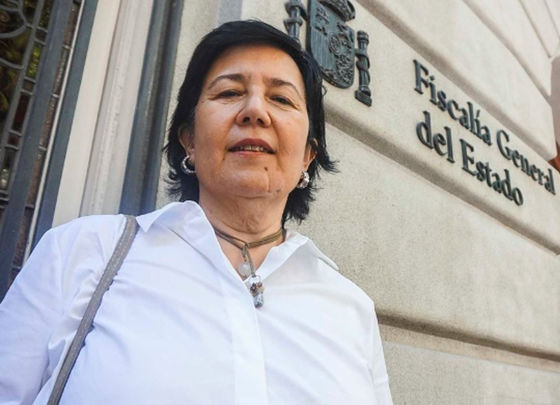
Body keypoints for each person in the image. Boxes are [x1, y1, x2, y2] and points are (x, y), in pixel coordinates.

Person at [0, 20, 393, 404]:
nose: (255, 111)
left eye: (281, 99)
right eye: (229, 93)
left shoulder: (351, 309)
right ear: (188, 139)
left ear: (308, 155)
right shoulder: (81, 252)